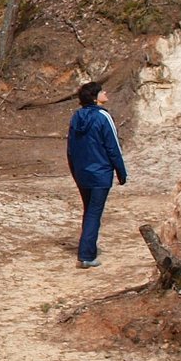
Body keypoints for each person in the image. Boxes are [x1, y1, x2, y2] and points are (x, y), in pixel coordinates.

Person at [66, 81, 127, 268]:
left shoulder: (77, 117)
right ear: (95, 97)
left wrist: (74, 171)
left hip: (82, 172)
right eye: (102, 91)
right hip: (100, 173)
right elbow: (113, 147)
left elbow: (70, 149)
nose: (105, 92)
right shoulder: (103, 117)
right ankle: (86, 255)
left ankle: (87, 249)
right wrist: (121, 172)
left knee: (89, 211)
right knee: (93, 213)